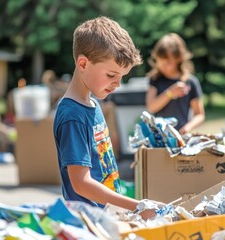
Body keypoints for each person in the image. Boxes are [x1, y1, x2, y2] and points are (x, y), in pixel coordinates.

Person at [53, 16, 161, 217]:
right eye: (111, 75)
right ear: (83, 64)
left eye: (122, 77)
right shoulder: (73, 116)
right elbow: (81, 183)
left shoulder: (93, 104)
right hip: (89, 222)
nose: (117, 83)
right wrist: (136, 206)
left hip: (106, 216)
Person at [145, 33, 205, 135]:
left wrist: (187, 127)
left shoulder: (190, 82)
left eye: (168, 63)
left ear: (179, 59)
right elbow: (151, 107)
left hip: (181, 135)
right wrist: (170, 93)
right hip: (160, 136)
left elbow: (199, 114)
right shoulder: (156, 79)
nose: (163, 66)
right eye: (160, 62)